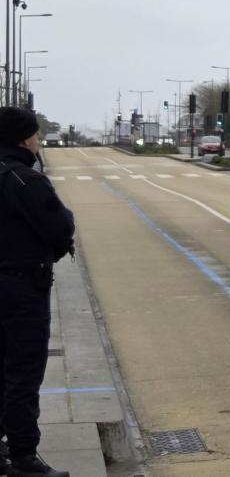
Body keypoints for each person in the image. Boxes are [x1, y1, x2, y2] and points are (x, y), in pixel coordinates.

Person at [0, 107, 75, 477]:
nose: (39, 140)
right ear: (24, 138)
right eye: (36, 134)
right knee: (23, 374)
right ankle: (23, 457)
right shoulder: (27, 180)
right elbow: (60, 228)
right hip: (21, 288)